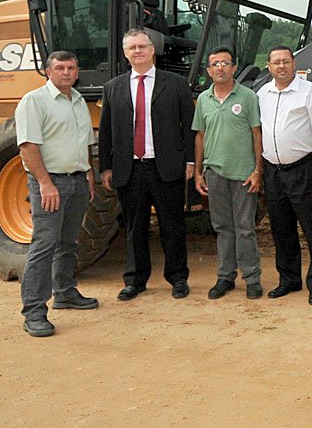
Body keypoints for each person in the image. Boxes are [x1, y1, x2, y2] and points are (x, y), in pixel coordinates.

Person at [99, 28, 196, 301]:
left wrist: (190, 160)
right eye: (133, 48)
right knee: (134, 227)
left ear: (153, 50)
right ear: (125, 53)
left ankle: (178, 278)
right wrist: (106, 166)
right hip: (129, 169)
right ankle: (135, 280)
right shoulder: (113, 87)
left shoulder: (176, 83)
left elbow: (190, 126)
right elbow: (105, 131)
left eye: (142, 46)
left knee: (172, 226)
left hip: (166, 166)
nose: (138, 51)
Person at [14, 50, 97, 337]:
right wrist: (45, 183)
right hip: (50, 183)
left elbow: (85, 142)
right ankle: (34, 311)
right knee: (44, 245)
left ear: (77, 72)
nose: (66, 73)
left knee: (68, 241)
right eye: (60, 68)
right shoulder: (34, 101)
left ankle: (64, 291)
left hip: (76, 181)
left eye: (71, 68)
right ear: (48, 71)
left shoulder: (78, 102)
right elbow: (28, 146)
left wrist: (88, 175)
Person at [257, 45, 312, 305]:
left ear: (293, 64)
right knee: (281, 229)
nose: (281, 66)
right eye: (276, 62)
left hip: (303, 169)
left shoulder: (310, 92)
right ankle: (288, 279)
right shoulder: (262, 93)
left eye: (286, 61)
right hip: (273, 171)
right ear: (269, 66)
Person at [193, 46, 265, 300]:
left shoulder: (247, 97)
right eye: (215, 64)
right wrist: (199, 171)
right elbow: (200, 136)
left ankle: (252, 277)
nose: (220, 68)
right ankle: (225, 276)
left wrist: (258, 170)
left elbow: (257, 134)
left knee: (245, 227)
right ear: (208, 71)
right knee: (222, 227)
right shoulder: (203, 99)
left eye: (225, 63)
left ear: (234, 68)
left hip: (243, 173)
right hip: (215, 172)